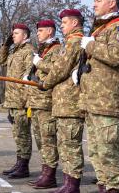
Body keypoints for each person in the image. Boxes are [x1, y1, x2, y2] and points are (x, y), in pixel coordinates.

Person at [79, 0, 119, 192]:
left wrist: (91, 46)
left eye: (99, 0)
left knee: (108, 151)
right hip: (94, 100)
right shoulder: (100, 30)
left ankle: (113, 189)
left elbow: (116, 56)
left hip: (109, 101)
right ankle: (104, 187)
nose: (94, 4)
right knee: (96, 151)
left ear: (112, 3)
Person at [37, 10, 85, 192]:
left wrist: (44, 84)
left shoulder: (74, 41)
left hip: (71, 103)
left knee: (70, 145)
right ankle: (68, 183)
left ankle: (72, 185)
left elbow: (60, 69)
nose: (62, 26)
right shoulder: (71, 41)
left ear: (74, 23)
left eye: (64, 22)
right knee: (65, 145)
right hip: (65, 103)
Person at [26, 19, 61, 189]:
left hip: (47, 101)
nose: (38, 33)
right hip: (37, 101)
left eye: (40, 31)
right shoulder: (44, 49)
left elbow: (56, 69)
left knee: (48, 140)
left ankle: (50, 175)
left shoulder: (57, 49)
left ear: (49, 31)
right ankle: (45, 171)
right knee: (41, 140)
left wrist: (38, 62)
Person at [0, 23, 34, 179]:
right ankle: (19, 162)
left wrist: (27, 102)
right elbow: (2, 61)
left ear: (25, 36)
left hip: (21, 101)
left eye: (16, 33)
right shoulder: (14, 52)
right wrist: (5, 46)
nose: (13, 35)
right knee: (17, 134)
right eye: (13, 33)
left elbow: (29, 76)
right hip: (12, 100)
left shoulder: (29, 51)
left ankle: (24, 166)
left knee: (23, 134)